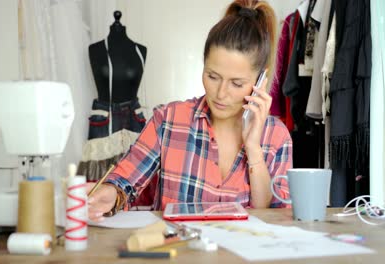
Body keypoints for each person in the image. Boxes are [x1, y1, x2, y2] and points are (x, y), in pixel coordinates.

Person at [87, 0, 293, 222]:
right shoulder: (168, 120)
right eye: (213, 76)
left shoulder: (277, 137)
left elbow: (272, 217)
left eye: (237, 83)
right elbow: (124, 180)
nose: (221, 93)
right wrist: (110, 193)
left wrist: (253, 147)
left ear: (260, 80)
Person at [88, 10, 147, 138]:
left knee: (136, 157)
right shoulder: (95, 49)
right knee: (104, 157)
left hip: (133, 118)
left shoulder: (141, 50)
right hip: (104, 119)